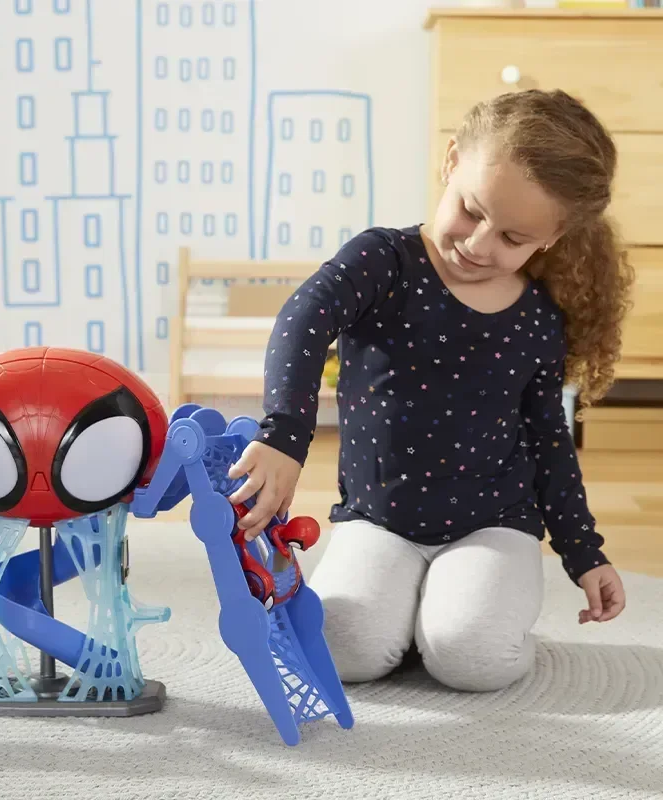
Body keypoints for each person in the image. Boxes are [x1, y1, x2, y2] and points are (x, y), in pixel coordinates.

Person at [226, 89, 633, 693]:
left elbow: (549, 441)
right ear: (451, 161)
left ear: (551, 238)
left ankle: (455, 614)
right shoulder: (383, 261)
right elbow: (303, 318)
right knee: (342, 652)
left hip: (494, 524)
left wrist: (584, 552)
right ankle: (420, 611)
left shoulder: (539, 320)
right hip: (377, 520)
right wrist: (285, 435)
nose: (478, 244)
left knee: (473, 658)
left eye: (512, 238)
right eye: (471, 210)